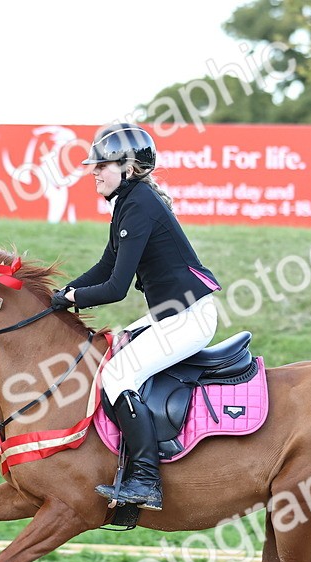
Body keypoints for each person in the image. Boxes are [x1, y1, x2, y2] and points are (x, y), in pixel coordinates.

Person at [51, 124, 221, 512]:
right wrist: (60, 295)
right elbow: (105, 265)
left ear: (128, 168)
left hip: (188, 318)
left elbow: (116, 287)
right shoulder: (130, 202)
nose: (94, 172)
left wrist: (73, 298)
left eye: (102, 166)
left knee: (117, 376)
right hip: (171, 313)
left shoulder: (139, 205)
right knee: (112, 358)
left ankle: (146, 480)